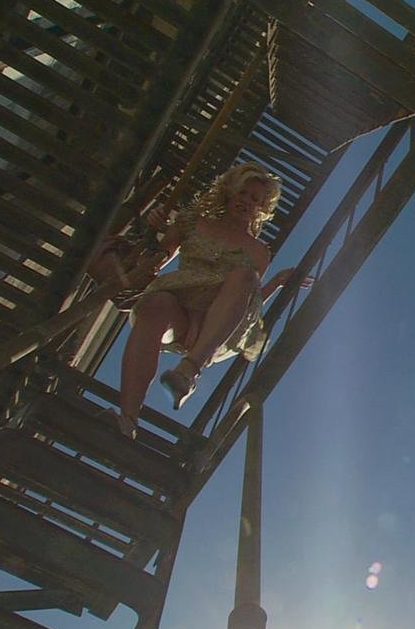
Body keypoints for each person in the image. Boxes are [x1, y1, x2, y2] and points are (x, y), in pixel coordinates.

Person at [101, 162, 311, 438]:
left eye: (255, 198)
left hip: (215, 327)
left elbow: (249, 300)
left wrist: (277, 281)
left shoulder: (259, 251)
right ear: (230, 192)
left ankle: (188, 372)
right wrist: (154, 229)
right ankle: (127, 419)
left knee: (244, 276)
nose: (247, 201)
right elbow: (156, 259)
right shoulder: (192, 221)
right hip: (178, 309)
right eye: (243, 193)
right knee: (155, 304)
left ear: (261, 208)